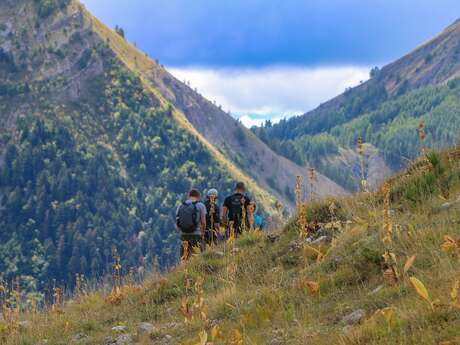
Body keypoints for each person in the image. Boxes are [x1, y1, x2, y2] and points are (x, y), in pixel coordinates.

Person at [176, 189, 207, 261]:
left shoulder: (181, 205)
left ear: (189, 196)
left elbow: (177, 223)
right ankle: (200, 270)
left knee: (184, 258)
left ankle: (184, 271)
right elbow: (203, 222)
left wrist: (182, 231)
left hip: (184, 234)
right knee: (201, 257)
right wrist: (202, 233)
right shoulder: (200, 205)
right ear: (198, 196)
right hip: (196, 234)